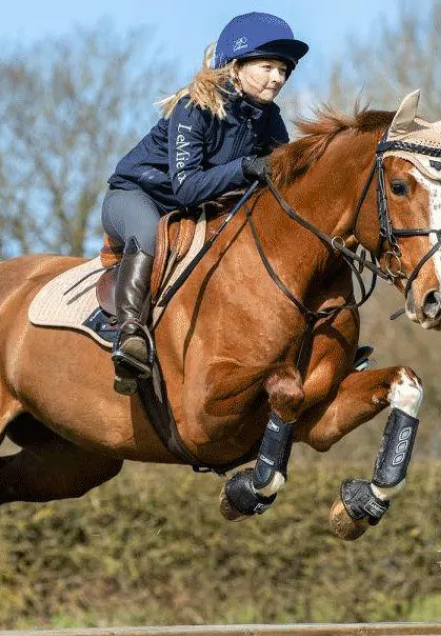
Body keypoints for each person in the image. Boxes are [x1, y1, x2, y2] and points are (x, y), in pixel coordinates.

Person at [102, 11, 309, 394]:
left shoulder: (269, 119)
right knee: (149, 233)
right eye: (267, 67)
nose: (277, 78)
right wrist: (246, 166)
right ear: (235, 67)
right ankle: (129, 334)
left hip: (195, 210)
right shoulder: (194, 108)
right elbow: (186, 188)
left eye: (283, 71)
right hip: (136, 196)